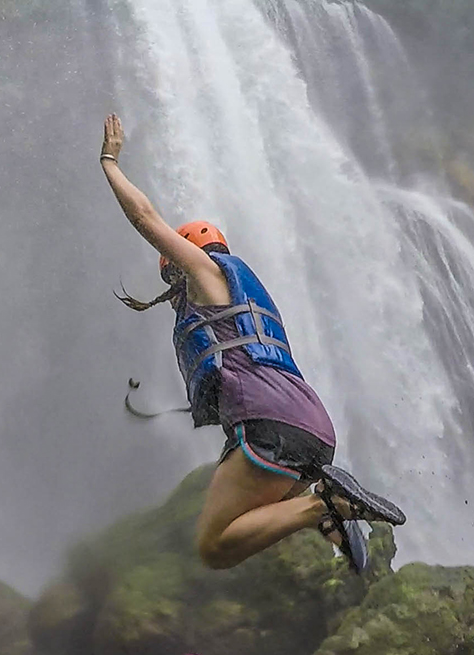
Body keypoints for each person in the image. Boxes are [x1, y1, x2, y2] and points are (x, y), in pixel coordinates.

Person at [99, 113, 405, 573]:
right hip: (313, 428)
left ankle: (327, 503)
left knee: (213, 547)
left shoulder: (205, 274)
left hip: (270, 421)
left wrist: (110, 162)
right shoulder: (249, 299)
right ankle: (332, 519)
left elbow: (145, 217)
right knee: (251, 526)